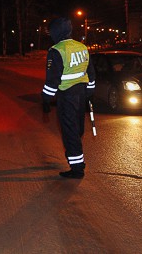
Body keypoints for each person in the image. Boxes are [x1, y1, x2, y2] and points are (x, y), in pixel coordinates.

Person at [42, 17, 96, 179]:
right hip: (81, 93)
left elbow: (53, 80)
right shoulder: (81, 47)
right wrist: (89, 92)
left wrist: (46, 99)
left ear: (56, 32)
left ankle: (77, 168)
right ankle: (76, 156)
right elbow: (90, 73)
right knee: (77, 129)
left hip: (67, 96)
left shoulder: (56, 50)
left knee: (69, 131)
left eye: (51, 31)